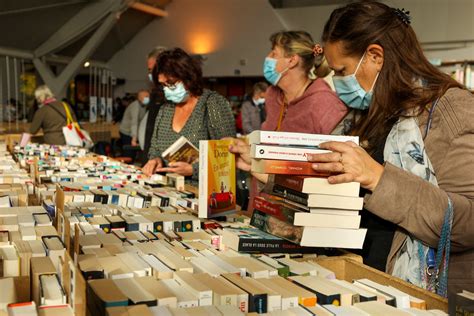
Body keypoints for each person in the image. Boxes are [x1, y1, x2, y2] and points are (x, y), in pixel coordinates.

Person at [306, 1, 473, 296]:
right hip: (358, 283)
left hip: (418, 293)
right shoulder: (366, 116)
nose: (337, 83)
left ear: (375, 56)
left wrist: (377, 178)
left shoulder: (453, 110)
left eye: (341, 71)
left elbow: (467, 224)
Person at [230, 30, 349, 213]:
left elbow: (337, 169)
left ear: (292, 60)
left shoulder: (325, 103)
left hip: (299, 212)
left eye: (274, 53)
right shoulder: (272, 96)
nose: (267, 57)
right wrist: (248, 151)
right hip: (263, 206)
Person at [143, 48, 236, 185]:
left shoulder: (212, 103)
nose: (167, 89)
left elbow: (229, 156)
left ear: (188, 77)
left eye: (172, 83)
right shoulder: (165, 109)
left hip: (206, 191)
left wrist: (194, 170)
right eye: (163, 85)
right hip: (171, 189)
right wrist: (155, 160)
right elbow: (155, 148)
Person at [139, 46, 167, 164]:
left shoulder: (171, 96)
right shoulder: (156, 92)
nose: (150, 73)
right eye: (149, 70)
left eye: (152, 69)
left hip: (161, 158)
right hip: (151, 156)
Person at [119, 90, 149, 158]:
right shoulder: (135, 106)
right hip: (126, 132)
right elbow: (134, 123)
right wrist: (134, 138)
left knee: (133, 153)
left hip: (133, 132)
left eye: (148, 96)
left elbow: (141, 121)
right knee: (129, 154)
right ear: (140, 98)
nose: (148, 98)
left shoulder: (143, 106)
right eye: (146, 97)